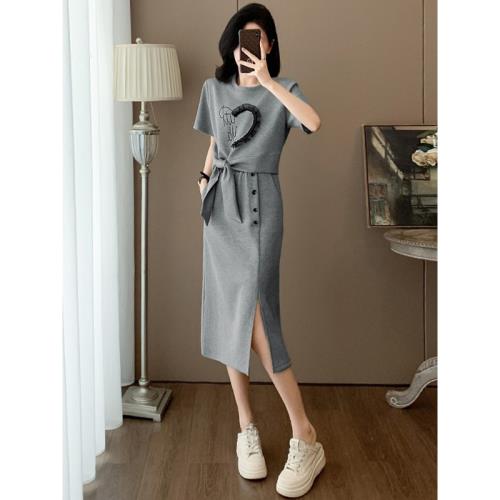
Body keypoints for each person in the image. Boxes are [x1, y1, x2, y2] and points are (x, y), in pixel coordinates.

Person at [193, 3, 324, 497]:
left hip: (260, 206)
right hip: (220, 209)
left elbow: (313, 122)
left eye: (258, 38)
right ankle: (246, 427)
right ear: (231, 44)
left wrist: (267, 82)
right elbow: (215, 142)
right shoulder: (214, 89)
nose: (248, 46)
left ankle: (305, 434)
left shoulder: (284, 89)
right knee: (233, 316)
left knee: (258, 320)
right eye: (242, 38)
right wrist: (203, 180)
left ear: (269, 45)